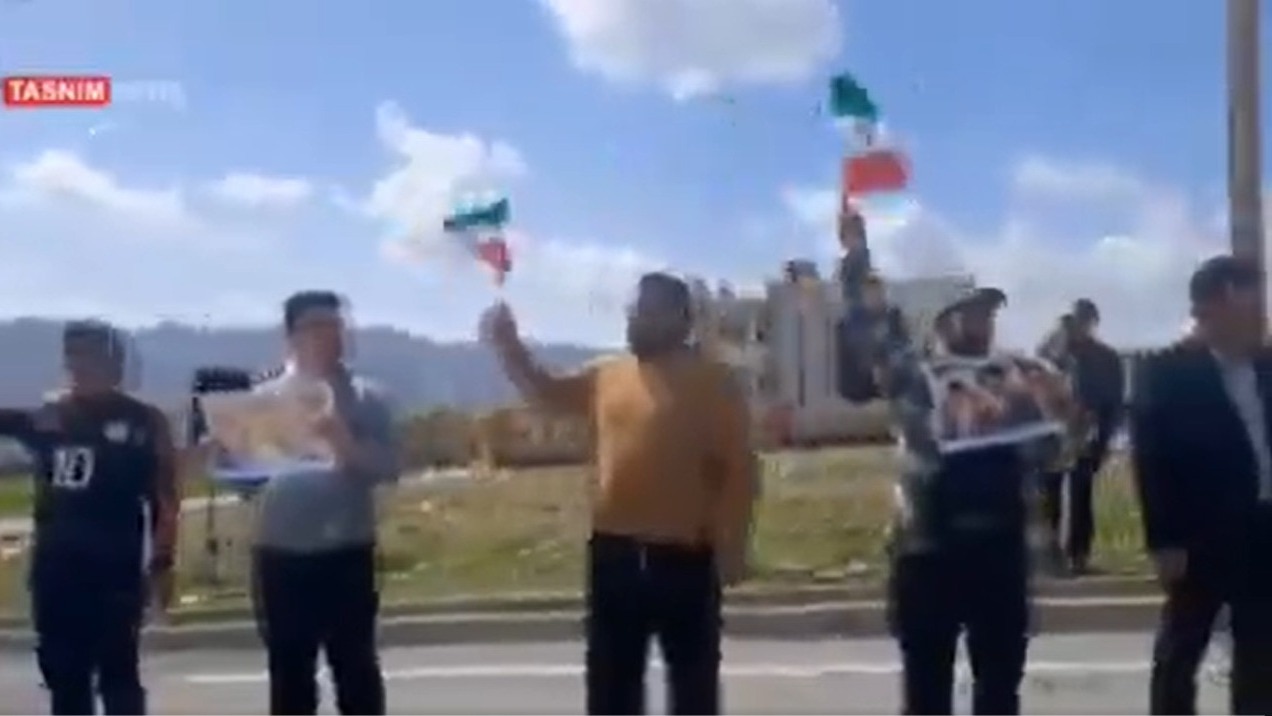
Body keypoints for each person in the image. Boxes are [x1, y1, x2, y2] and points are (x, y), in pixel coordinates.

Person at [482, 272, 756, 715]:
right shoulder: (607, 375)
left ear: (678, 318)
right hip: (614, 556)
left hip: (685, 560)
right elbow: (546, 390)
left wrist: (734, 546)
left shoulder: (714, 383)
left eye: (643, 311)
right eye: (631, 310)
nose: (631, 319)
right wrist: (509, 347)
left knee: (693, 689)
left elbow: (739, 469)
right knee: (611, 688)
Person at [866, 286, 1070, 715]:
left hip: (1000, 546)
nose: (983, 324)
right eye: (972, 314)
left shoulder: (1016, 374)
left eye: (989, 314)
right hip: (930, 547)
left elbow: (1051, 453)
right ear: (943, 323)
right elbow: (920, 438)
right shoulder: (915, 375)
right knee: (927, 688)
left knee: (999, 686)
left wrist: (1057, 410)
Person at [0, 320, 179, 715]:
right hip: (56, 571)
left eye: (92, 357)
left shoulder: (145, 422)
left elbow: (165, 498)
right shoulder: (49, 418)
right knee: (65, 679)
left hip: (115, 570)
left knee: (119, 676)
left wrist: (163, 561)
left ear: (115, 365)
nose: (81, 367)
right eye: (74, 358)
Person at [247, 291, 401, 716]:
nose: (328, 335)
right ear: (291, 337)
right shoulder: (263, 399)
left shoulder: (368, 397)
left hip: (347, 551)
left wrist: (343, 441)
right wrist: (229, 453)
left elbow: (388, 467)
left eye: (334, 326)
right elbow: (244, 478)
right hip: (280, 553)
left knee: (356, 669)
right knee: (289, 672)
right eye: (315, 326)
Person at [1131, 255, 1272, 715]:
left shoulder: (1266, 367)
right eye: (1250, 303)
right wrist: (1163, 540)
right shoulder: (1168, 373)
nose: (1261, 314)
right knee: (1181, 650)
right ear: (1213, 308)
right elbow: (1151, 459)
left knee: (1261, 649)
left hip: (1263, 529)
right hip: (1199, 535)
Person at [1039, 299, 1126, 575]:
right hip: (1052, 435)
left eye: (1087, 321)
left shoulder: (1106, 358)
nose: (1082, 327)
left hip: (1087, 433)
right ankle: (1050, 556)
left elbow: (1114, 403)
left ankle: (1079, 555)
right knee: (1049, 496)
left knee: (1081, 494)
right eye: (1078, 320)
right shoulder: (1049, 352)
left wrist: (1104, 440)